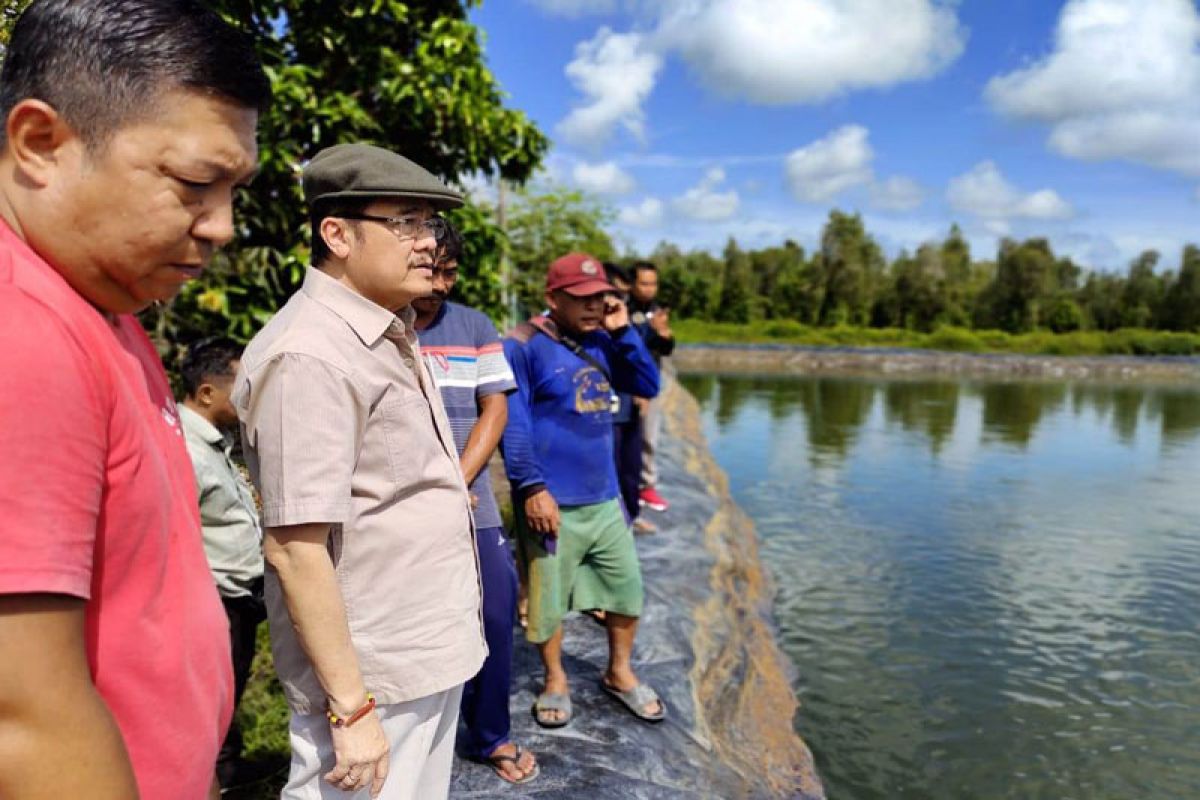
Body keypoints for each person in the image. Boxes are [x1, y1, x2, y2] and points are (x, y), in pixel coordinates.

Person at [0, 2, 267, 798]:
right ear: (41, 143)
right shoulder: (24, 336)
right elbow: (20, 718)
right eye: (193, 183)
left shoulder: (101, 310)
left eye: (233, 190)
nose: (221, 226)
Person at [234, 143, 486, 800]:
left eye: (431, 224)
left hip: (422, 643)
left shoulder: (386, 331)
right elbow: (294, 548)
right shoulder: (310, 355)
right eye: (407, 222)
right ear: (337, 234)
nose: (430, 242)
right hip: (375, 673)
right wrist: (351, 707)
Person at [502, 252, 667, 729]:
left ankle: (619, 672)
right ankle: (555, 679)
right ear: (552, 298)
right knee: (549, 599)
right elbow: (514, 424)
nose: (595, 307)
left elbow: (647, 384)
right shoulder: (523, 345)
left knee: (626, 591)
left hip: (604, 497)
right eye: (583, 299)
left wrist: (623, 332)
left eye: (601, 297)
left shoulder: (604, 339)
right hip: (552, 502)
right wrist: (531, 487)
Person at [412, 222, 539, 785]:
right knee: (414, 618)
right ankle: (415, 736)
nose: (439, 284)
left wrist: (457, 480)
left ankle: (490, 734)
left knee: (493, 610)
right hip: (399, 509)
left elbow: (495, 410)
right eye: (431, 269)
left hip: (471, 502)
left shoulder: (473, 327)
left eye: (449, 272)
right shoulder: (378, 326)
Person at [179, 338, 281, 791]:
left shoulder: (213, 445)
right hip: (213, 600)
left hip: (238, 598)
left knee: (226, 698)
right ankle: (210, 780)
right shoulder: (186, 450)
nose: (250, 397)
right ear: (206, 394)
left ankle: (225, 772)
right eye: (242, 386)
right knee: (207, 706)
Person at [604, 262, 655, 535]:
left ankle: (631, 518)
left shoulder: (627, 324)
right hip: (604, 413)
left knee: (630, 468)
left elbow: (649, 377)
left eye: (622, 295)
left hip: (628, 406)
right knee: (609, 469)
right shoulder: (587, 334)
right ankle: (615, 522)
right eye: (613, 293)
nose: (616, 301)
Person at [628, 261, 676, 513]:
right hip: (624, 382)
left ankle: (646, 486)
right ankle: (625, 489)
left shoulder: (657, 311)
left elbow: (665, 349)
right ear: (632, 284)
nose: (649, 289)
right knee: (624, 435)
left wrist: (663, 331)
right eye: (644, 283)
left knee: (649, 435)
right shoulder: (623, 309)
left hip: (649, 381)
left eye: (653, 283)